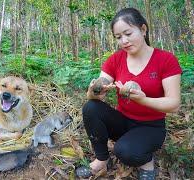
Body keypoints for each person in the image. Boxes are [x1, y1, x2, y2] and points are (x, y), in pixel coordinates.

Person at [78, 7, 182, 180]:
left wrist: (143, 100)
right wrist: (93, 91)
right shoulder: (116, 59)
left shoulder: (166, 59)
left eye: (128, 33)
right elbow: (101, 82)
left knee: (125, 152)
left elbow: (174, 104)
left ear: (143, 29)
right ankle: (102, 159)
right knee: (91, 108)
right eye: (118, 37)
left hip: (151, 127)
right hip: (123, 121)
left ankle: (146, 160)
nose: (124, 41)